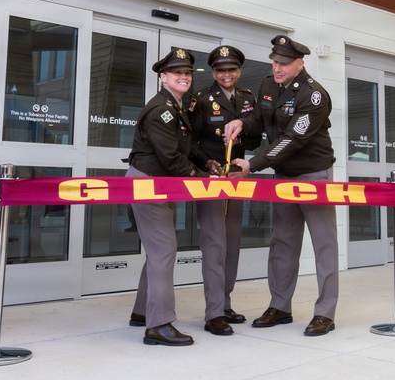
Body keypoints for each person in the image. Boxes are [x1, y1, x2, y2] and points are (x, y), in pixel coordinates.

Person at [226, 35, 338, 337]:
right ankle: (280, 306)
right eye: (274, 62)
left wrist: (253, 163)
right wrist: (241, 123)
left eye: (284, 64)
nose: (277, 68)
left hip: (313, 174)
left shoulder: (314, 96)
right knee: (282, 242)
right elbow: (260, 122)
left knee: (323, 244)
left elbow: (292, 139)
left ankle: (325, 313)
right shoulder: (268, 85)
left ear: (300, 63)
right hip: (284, 175)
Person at [125, 47, 221, 347]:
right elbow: (170, 157)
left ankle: (143, 312)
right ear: (163, 77)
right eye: (177, 73)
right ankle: (159, 324)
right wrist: (202, 180)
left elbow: (185, 146)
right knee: (165, 250)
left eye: (187, 73)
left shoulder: (175, 106)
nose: (183, 77)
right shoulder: (161, 109)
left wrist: (206, 162)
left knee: (158, 252)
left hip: (159, 184)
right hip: (149, 184)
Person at [187, 45, 260, 335]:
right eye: (220, 70)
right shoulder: (201, 99)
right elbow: (188, 141)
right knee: (214, 243)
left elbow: (257, 131)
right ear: (213, 72)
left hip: (236, 175)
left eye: (231, 69)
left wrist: (244, 127)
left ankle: (225, 302)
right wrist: (206, 162)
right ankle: (213, 312)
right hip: (212, 176)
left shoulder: (248, 98)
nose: (226, 74)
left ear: (239, 71)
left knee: (232, 242)